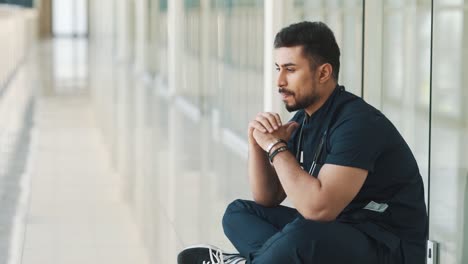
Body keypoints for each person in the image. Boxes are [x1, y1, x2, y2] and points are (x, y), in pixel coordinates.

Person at [178, 21, 428, 264]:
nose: (279, 81)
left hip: (385, 245)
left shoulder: (357, 124)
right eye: (278, 69)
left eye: (290, 69)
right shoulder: (304, 119)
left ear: (323, 72)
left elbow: (320, 209)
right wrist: (258, 144)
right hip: (336, 230)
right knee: (238, 213)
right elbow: (268, 197)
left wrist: (276, 148)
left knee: (302, 235)